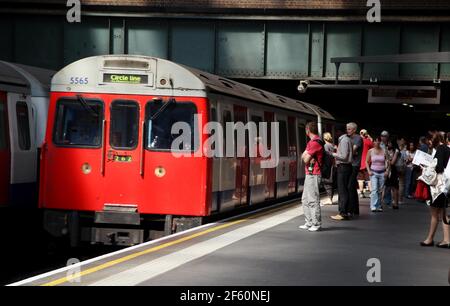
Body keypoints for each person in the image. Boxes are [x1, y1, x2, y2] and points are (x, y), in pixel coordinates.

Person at [420, 133, 450, 248]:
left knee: (434, 214)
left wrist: (427, 167)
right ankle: (446, 239)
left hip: (438, 186)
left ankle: (430, 239)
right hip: (446, 186)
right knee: (443, 213)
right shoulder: (447, 149)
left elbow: (439, 167)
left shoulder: (441, 149)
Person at [299, 122, 324, 232]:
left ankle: (316, 223)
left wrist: (306, 156)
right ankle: (309, 221)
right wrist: (306, 156)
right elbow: (303, 157)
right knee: (305, 199)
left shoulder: (315, 143)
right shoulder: (312, 142)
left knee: (313, 199)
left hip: (314, 174)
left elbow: (304, 159)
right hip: (309, 174)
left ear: (307, 130)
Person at [331, 123, 353, 221]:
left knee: (342, 191)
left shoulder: (344, 141)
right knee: (345, 190)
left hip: (343, 167)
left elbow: (344, 156)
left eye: (335, 132)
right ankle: (346, 211)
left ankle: (343, 213)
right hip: (346, 167)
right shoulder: (347, 140)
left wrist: (333, 154)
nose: (335, 134)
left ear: (339, 132)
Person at [366, 137, 390, 212]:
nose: (377, 143)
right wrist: (369, 171)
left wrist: (387, 171)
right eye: (375, 141)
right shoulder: (370, 151)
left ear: (380, 142)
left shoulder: (384, 151)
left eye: (378, 141)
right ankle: (373, 206)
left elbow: (388, 161)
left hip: (382, 172)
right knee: (374, 190)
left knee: (380, 190)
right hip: (373, 172)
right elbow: (366, 161)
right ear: (373, 142)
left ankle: (379, 205)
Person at [348, 123, 363, 216]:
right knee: (352, 187)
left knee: (350, 186)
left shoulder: (358, 138)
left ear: (354, 130)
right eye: (347, 129)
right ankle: (354, 209)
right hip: (349, 164)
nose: (347, 130)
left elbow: (353, 151)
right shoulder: (348, 138)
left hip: (354, 165)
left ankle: (352, 209)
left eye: (349, 129)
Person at [384, 140, 401, 209]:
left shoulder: (396, 151)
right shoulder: (387, 150)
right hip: (387, 168)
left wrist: (388, 159)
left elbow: (393, 162)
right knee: (388, 186)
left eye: (390, 143)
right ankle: (389, 202)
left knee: (395, 187)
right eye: (388, 143)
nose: (388, 144)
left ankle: (395, 203)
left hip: (393, 170)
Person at [321, 132, 336, 205]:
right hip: (333, 166)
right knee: (331, 183)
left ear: (324, 138)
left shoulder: (325, 146)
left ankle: (329, 199)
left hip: (328, 166)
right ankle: (330, 198)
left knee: (327, 183)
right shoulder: (332, 145)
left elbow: (327, 157)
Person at [358, 129, 373, 198]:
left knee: (360, 179)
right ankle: (371, 193)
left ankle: (361, 193)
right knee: (369, 179)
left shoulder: (357, 141)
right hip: (367, 163)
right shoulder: (368, 141)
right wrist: (370, 138)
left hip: (359, 163)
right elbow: (373, 148)